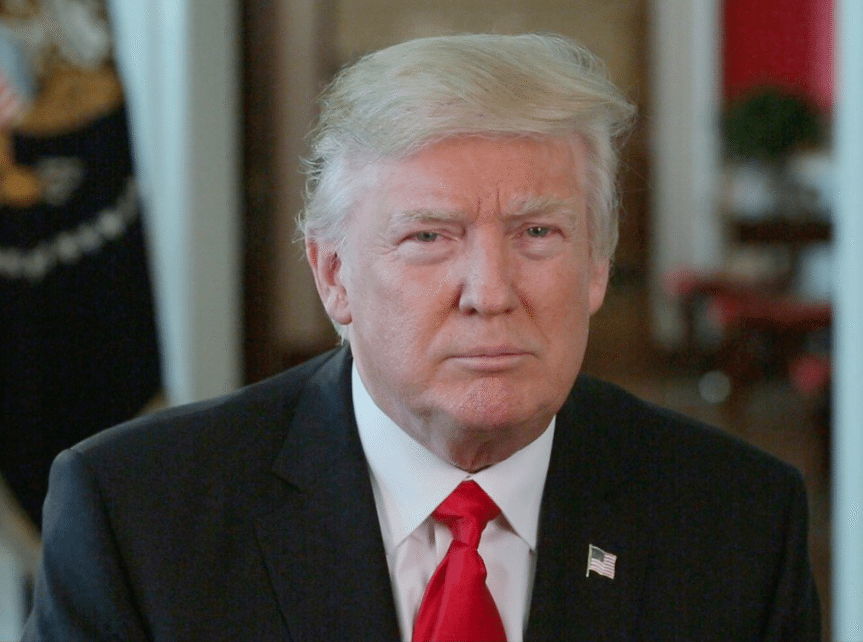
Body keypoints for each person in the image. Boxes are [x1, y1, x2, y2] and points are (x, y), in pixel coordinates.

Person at [22, 33, 820, 641]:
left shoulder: (738, 518)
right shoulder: (137, 514)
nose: (490, 293)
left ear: (596, 268)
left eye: (537, 233)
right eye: (428, 237)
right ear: (333, 275)